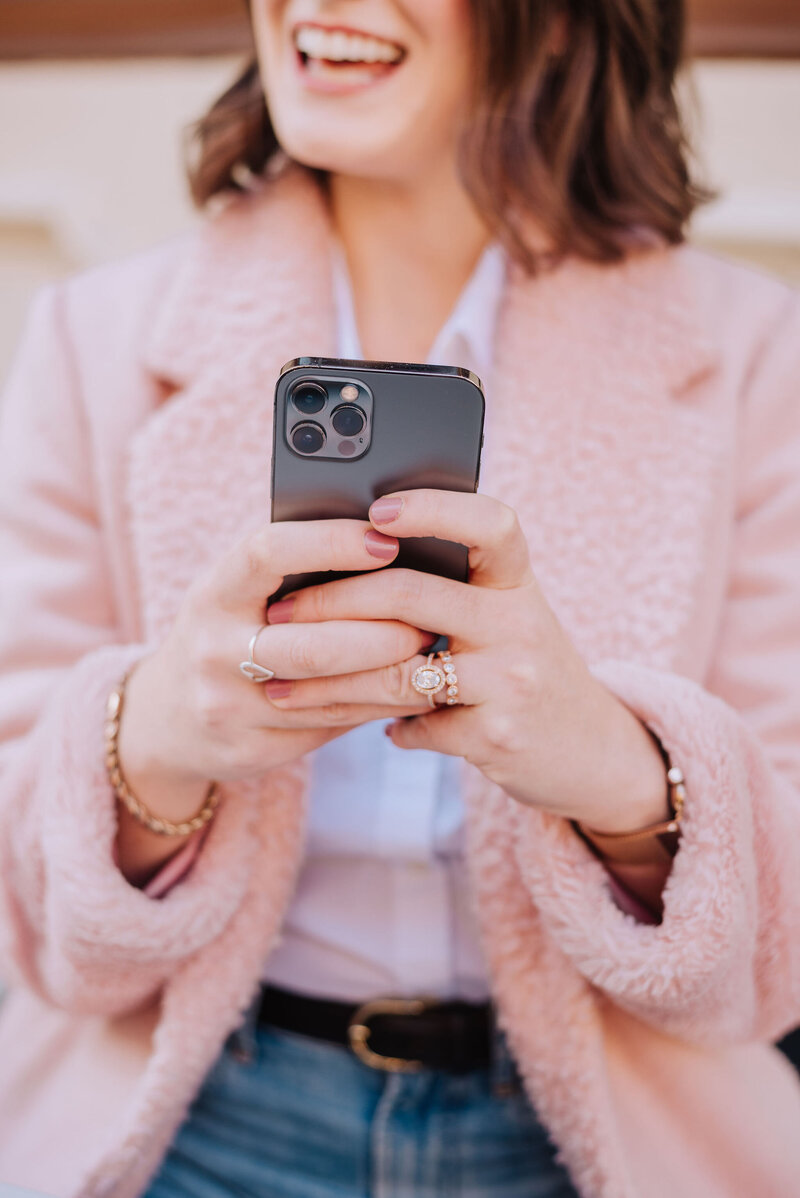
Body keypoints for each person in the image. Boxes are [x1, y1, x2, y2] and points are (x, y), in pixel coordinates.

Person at [1, 1, 799, 1195]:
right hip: (196, 1111)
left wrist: (622, 776)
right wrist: (154, 742)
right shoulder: (92, 338)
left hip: (598, 1134)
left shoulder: (749, 354)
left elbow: (774, 951)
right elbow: (29, 920)